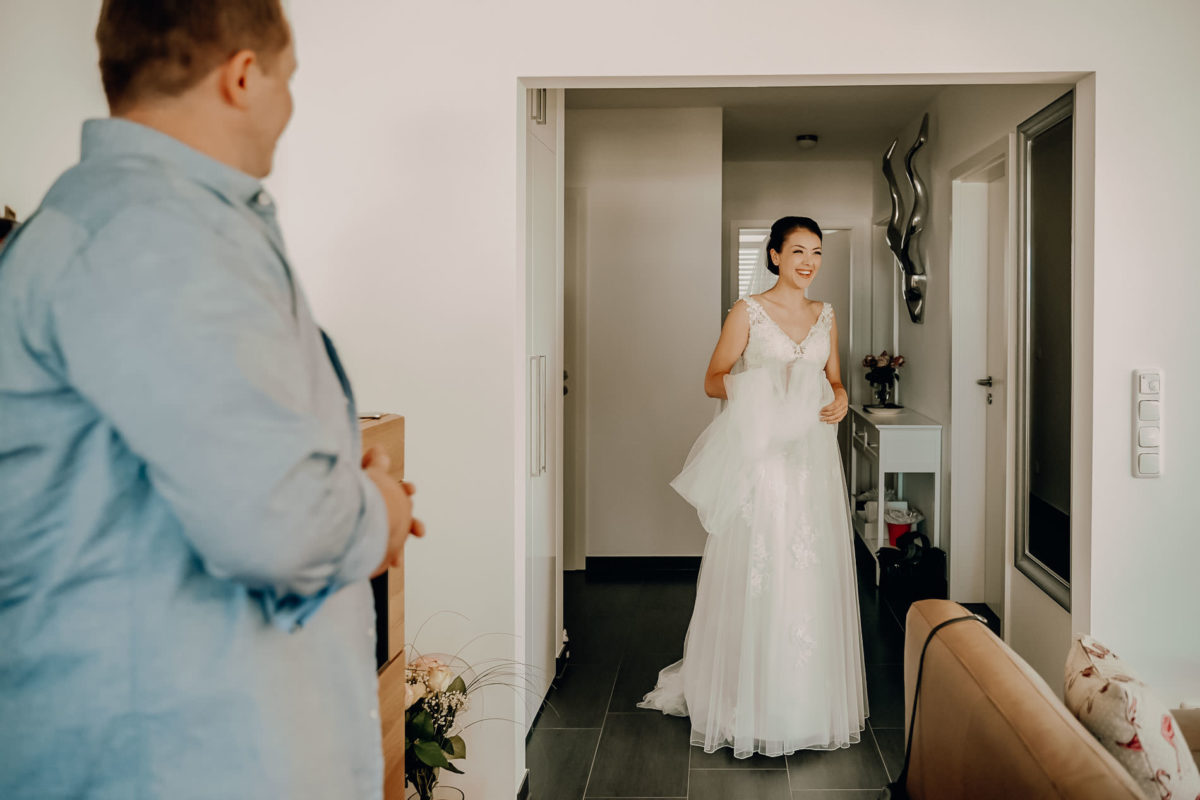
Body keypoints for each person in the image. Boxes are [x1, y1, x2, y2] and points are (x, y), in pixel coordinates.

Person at [0, 2, 422, 797]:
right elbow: (282, 526)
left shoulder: (120, 219)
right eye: (288, 81)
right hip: (175, 756)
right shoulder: (160, 235)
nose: (289, 108)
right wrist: (380, 508)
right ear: (242, 76)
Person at [638, 216, 868, 757]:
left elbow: (835, 378)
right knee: (762, 568)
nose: (808, 262)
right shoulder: (749, 312)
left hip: (811, 460)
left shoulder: (825, 315)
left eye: (816, 252)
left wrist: (840, 396)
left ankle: (806, 701)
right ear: (774, 256)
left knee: (808, 570)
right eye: (797, 252)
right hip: (763, 459)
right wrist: (761, 386)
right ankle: (747, 697)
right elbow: (712, 378)